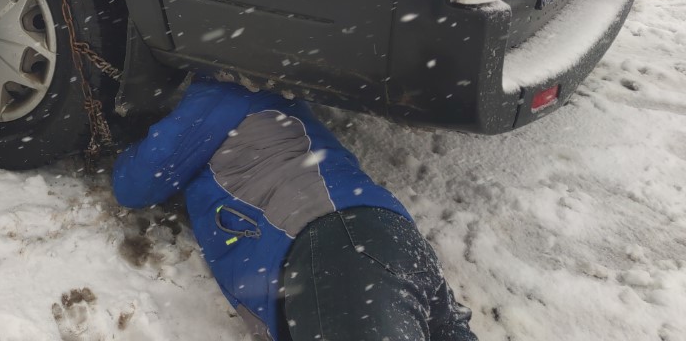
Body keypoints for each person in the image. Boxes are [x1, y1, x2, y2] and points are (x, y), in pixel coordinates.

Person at [113, 73, 476, 341]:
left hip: (337, 251)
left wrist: (135, 129)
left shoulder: (223, 91)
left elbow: (135, 182)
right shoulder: (277, 104)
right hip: (385, 242)